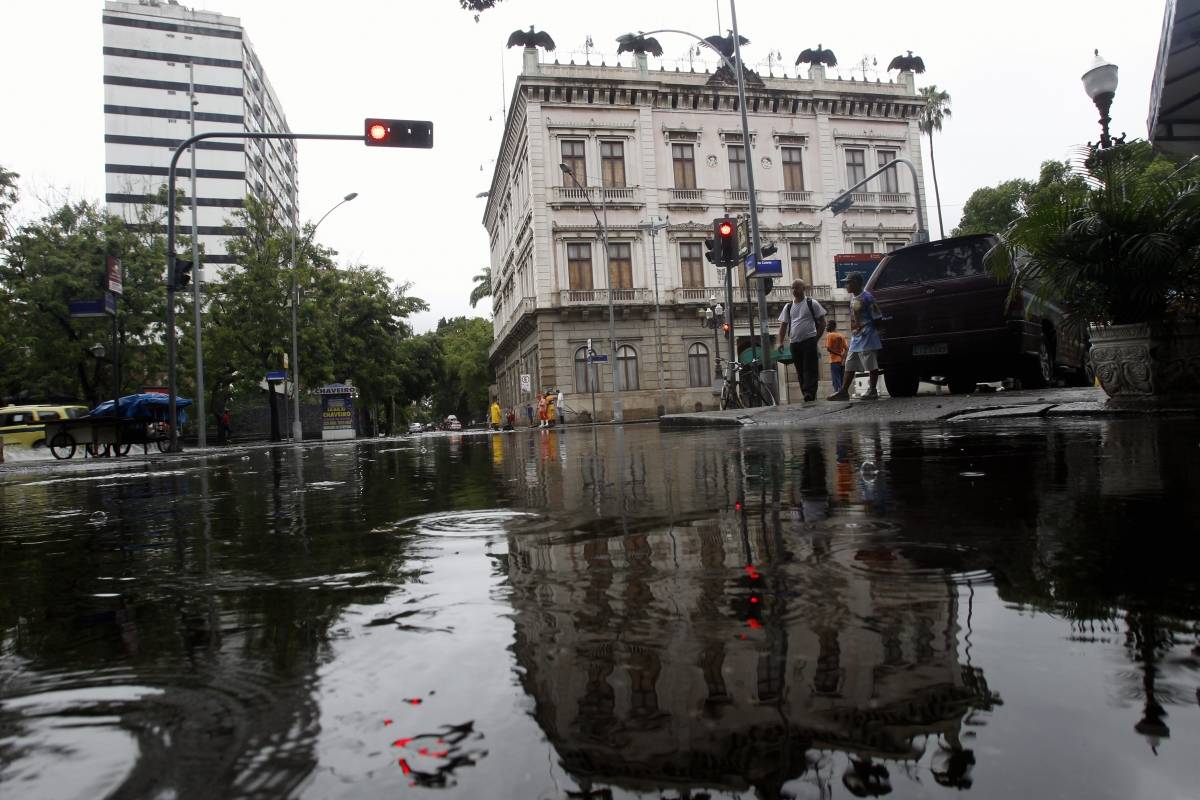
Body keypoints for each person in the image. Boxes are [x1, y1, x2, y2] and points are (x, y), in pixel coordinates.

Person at [828, 271, 882, 401]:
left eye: (848, 282)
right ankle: (843, 391)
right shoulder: (853, 298)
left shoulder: (868, 297)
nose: (846, 285)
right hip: (856, 336)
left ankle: (873, 390)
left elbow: (877, 316)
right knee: (849, 363)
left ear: (856, 283)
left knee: (871, 362)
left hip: (868, 334)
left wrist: (875, 331)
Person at [776, 279, 827, 402]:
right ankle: (806, 394)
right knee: (800, 370)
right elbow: (783, 325)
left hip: (809, 340)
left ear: (803, 288)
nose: (794, 291)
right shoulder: (788, 307)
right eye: (792, 288)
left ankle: (809, 393)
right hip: (794, 343)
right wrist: (780, 342)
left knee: (809, 368)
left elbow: (823, 323)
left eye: (797, 288)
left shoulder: (812, 303)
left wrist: (815, 339)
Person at [825, 319, 848, 393]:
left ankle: (838, 395)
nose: (826, 327)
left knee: (836, 381)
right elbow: (847, 349)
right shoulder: (841, 335)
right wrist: (843, 357)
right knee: (841, 380)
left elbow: (828, 349)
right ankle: (843, 394)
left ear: (833, 326)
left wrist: (838, 354)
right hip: (841, 362)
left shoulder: (830, 335)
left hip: (834, 362)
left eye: (828, 325)